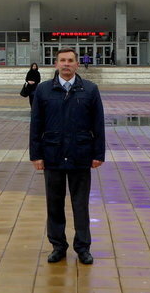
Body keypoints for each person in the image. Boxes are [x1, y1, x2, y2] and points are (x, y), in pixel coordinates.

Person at [29, 48, 105, 265]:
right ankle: (58, 246)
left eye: (70, 60)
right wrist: (36, 155)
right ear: (55, 64)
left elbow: (98, 124)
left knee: (80, 204)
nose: (66, 64)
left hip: (81, 155)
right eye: (62, 60)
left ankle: (83, 247)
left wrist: (98, 154)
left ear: (77, 64)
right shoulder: (43, 90)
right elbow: (36, 126)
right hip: (52, 155)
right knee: (54, 204)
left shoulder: (90, 89)